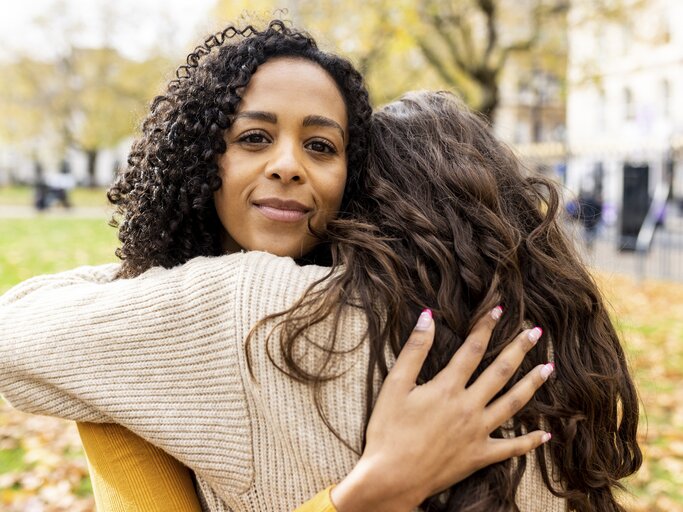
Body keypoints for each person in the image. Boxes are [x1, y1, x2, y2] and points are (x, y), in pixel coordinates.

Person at [1, 26, 641, 512]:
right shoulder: (547, 349)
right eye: (254, 137)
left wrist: (360, 498)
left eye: (321, 146)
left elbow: (15, 331)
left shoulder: (245, 313)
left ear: (361, 189)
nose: (288, 166)